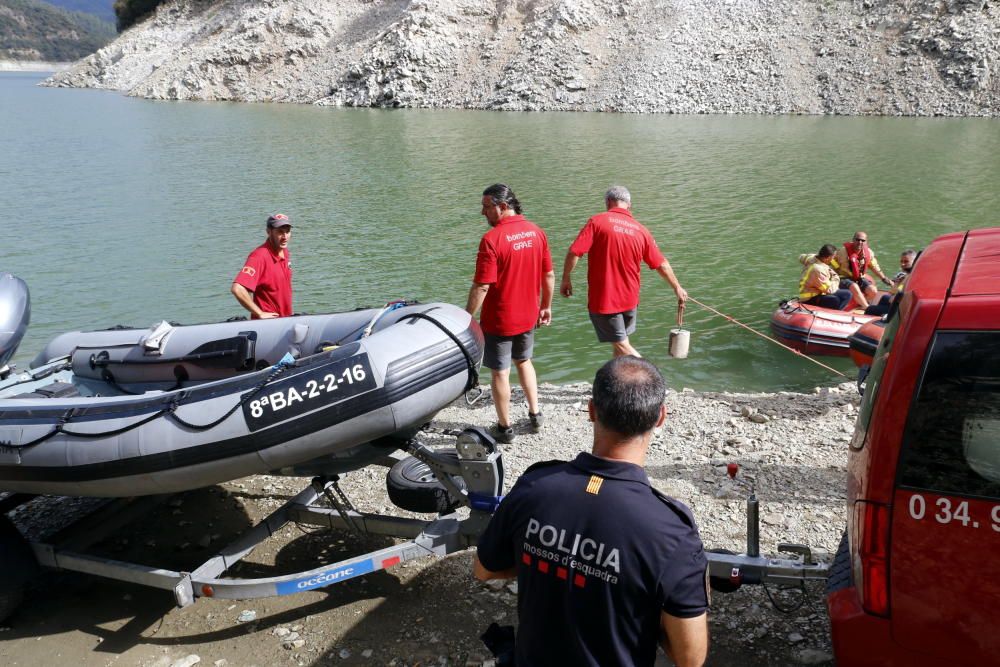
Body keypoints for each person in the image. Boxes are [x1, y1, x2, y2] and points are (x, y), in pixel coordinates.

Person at [474, 356, 709, 667]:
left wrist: (550, 560)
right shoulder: (671, 530)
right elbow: (689, 658)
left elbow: (484, 570)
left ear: (591, 410)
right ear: (660, 417)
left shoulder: (535, 486)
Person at [466, 184, 554, 444]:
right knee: (524, 361)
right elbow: (548, 274)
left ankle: (504, 428)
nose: (483, 213)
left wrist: (467, 317)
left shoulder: (492, 240)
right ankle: (535, 414)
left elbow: (482, 285)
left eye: (486, 207)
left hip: (500, 319)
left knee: (500, 372)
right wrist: (546, 306)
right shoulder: (536, 232)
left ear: (503, 206)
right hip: (528, 315)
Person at [561, 186, 687, 358]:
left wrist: (566, 278)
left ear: (608, 202)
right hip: (630, 301)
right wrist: (677, 287)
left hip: (606, 301)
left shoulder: (597, 222)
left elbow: (575, 252)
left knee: (623, 347)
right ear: (629, 205)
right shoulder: (641, 230)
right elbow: (661, 264)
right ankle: (619, 384)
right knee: (621, 346)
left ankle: (654, 380)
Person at [231, 213, 293, 319]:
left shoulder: (284, 252)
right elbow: (237, 289)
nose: (285, 237)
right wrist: (259, 313)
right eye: (280, 232)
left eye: (287, 232)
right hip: (267, 325)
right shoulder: (259, 256)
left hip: (285, 320)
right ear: (269, 232)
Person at [833, 231, 893, 305]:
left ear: (866, 242)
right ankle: (866, 307)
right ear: (853, 240)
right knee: (854, 286)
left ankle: (859, 305)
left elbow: (874, 266)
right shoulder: (842, 251)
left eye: (862, 240)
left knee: (873, 291)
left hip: (859, 278)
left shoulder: (869, 253)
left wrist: (884, 278)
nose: (860, 242)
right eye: (857, 240)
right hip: (843, 278)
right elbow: (830, 260)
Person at [798, 244, 856, 310]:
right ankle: (838, 313)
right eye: (833, 257)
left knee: (843, 293)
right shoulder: (818, 270)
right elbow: (830, 290)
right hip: (810, 298)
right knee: (845, 295)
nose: (833, 259)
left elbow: (801, 257)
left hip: (811, 291)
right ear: (828, 258)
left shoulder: (811, 258)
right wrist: (836, 278)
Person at [864, 248, 918, 316]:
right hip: (900, 305)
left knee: (870, 309)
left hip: (902, 311)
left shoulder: (910, 279)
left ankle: (880, 321)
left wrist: (898, 287)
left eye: (906, 261)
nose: (902, 264)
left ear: (915, 262)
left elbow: (894, 299)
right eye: (901, 261)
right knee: (885, 297)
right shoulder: (907, 276)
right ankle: (880, 317)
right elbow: (895, 291)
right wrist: (897, 284)